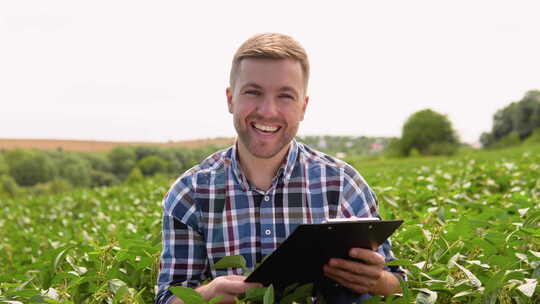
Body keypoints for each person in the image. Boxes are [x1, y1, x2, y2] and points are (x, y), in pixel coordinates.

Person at [155, 33, 405, 304]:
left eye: (285, 96)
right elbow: (168, 297)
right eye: (253, 92)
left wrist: (377, 281)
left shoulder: (343, 184)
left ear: (303, 107)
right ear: (230, 99)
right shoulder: (190, 192)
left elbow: (398, 282)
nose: (268, 110)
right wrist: (207, 295)